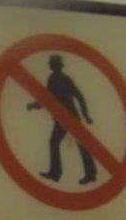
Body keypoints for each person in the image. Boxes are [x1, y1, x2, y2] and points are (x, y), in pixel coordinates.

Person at [26, 54, 97, 184]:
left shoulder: (55, 79)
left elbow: (47, 99)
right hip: (66, 117)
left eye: (51, 63)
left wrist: (86, 115)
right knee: (75, 144)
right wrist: (85, 115)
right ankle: (86, 173)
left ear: (54, 65)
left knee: (61, 143)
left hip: (67, 117)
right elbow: (50, 99)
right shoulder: (62, 78)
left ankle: (57, 173)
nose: (49, 65)